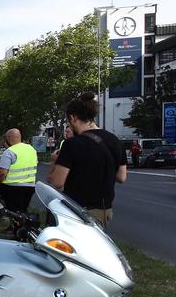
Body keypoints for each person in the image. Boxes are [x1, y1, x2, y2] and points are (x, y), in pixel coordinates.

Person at [48, 92, 127, 226]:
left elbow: (57, 182)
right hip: (104, 211)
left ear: (73, 118)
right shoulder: (115, 141)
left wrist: (55, 161)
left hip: (78, 211)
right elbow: (121, 177)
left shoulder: (72, 144)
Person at [0, 129, 37, 213]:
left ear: (8, 138)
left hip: (12, 189)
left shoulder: (9, 152)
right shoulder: (32, 149)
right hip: (30, 187)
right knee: (22, 212)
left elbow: (2, 174)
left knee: (11, 213)